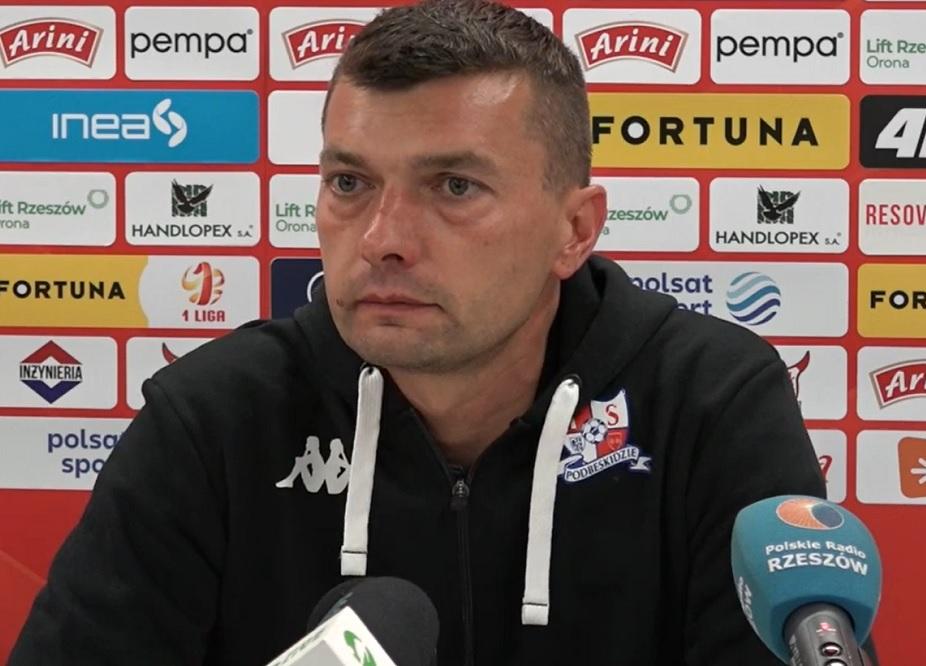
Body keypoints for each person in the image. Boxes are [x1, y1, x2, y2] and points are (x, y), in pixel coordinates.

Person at [10, 1, 849, 664]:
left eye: (453, 186)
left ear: (574, 230)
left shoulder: (709, 403)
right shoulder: (216, 418)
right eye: (350, 182)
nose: (383, 238)